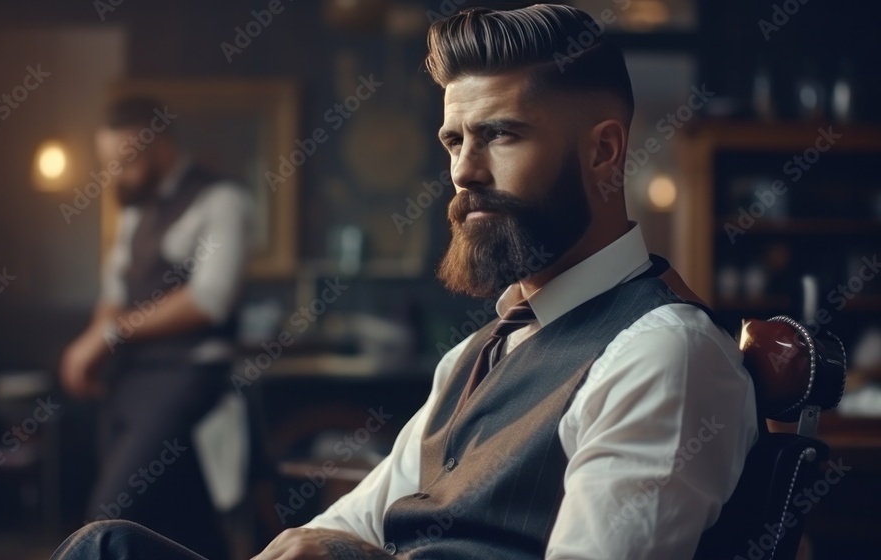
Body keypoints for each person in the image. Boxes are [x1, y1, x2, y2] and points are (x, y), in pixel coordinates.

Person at [51, 5, 758, 559]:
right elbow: (348, 522)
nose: (463, 172)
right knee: (109, 545)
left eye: (501, 136)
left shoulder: (661, 355)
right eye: (456, 140)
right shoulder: (478, 353)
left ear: (604, 151)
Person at [58, 95, 253, 559]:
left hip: (187, 379)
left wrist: (108, 336)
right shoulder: (134, 213)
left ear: (159, 147)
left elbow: (210, 299)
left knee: (108, 517)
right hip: (129, 383)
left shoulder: (222, 200)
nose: (114, 176)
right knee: (181, 525)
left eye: (123, 162)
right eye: (107, 164)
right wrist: (93, 341)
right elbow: (114, 293)